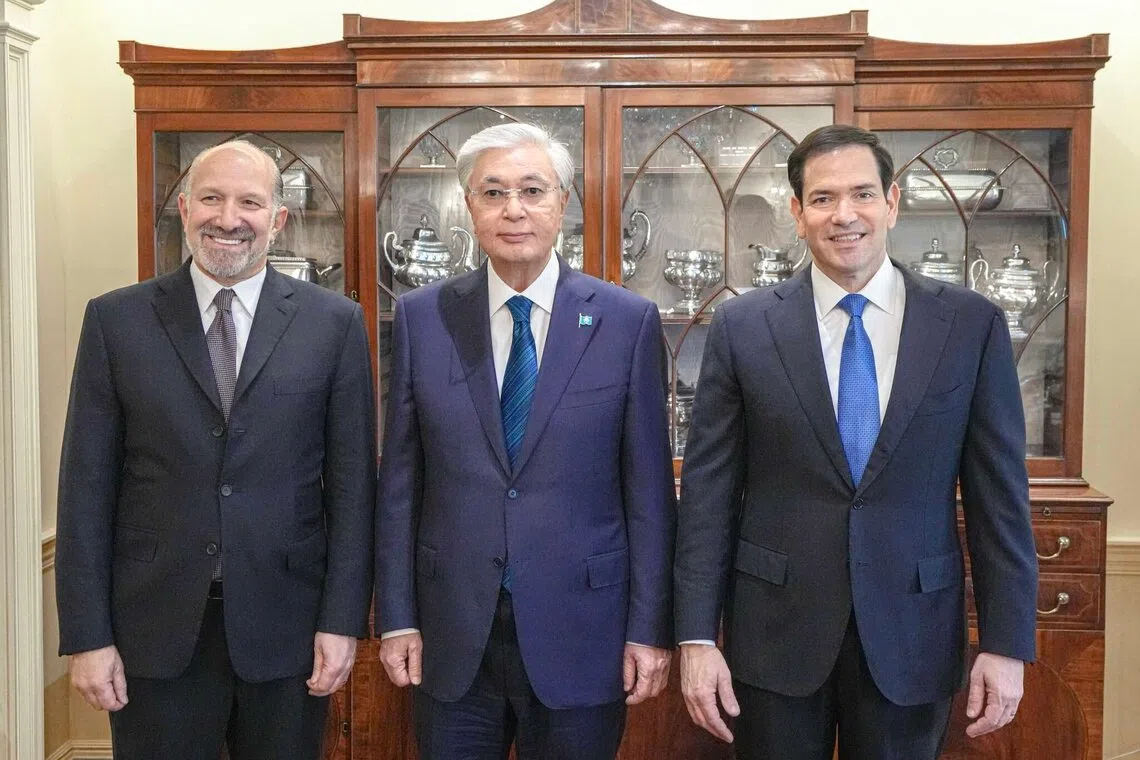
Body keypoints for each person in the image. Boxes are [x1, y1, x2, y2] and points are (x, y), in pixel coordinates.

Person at [673, 124, 1038, 759]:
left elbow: (999, 499)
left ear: (892, 202)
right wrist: (696, 639)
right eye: (823, 198)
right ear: (797, 211)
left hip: (912, 631)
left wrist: (1005, 643)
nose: (845, 215)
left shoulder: (970, 325)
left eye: (863, 194)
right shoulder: (743, 326)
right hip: (775, 634)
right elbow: (708, 495)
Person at [55, 139, 376, 759]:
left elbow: (352, 489)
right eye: (212, 198)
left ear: (278, 219)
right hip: (154, 629)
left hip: (288, 629)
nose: (229, 218)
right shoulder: (116, 321)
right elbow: (85, 491)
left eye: (250, 202)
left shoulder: (333, 324)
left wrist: (341, 623)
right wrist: (87, 636)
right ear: (183, 206)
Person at [375, 122, 676, 759]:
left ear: (562, 203)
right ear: (470, 207)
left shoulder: (626, 322)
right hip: (453, 633)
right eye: (493, 192)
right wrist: (397, 616)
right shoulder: (422, 318)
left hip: (584, 633)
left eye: (532, 190)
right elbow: (401, 483)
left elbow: (649, 495)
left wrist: (649, 631)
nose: (514, 209)